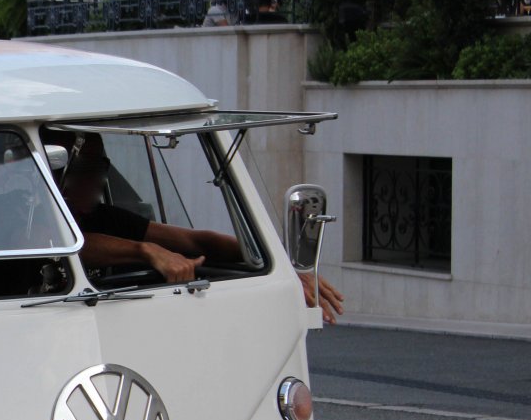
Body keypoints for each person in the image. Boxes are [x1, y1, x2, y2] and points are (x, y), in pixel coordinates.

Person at [54, 132, 344, 323]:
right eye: (86, 169)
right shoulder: (26, 214)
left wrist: (278, 262)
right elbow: (62, 243)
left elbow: (196, 242)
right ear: (57, 170)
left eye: (101, 167)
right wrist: (147, 251)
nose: (99, 180)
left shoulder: (106, 218)